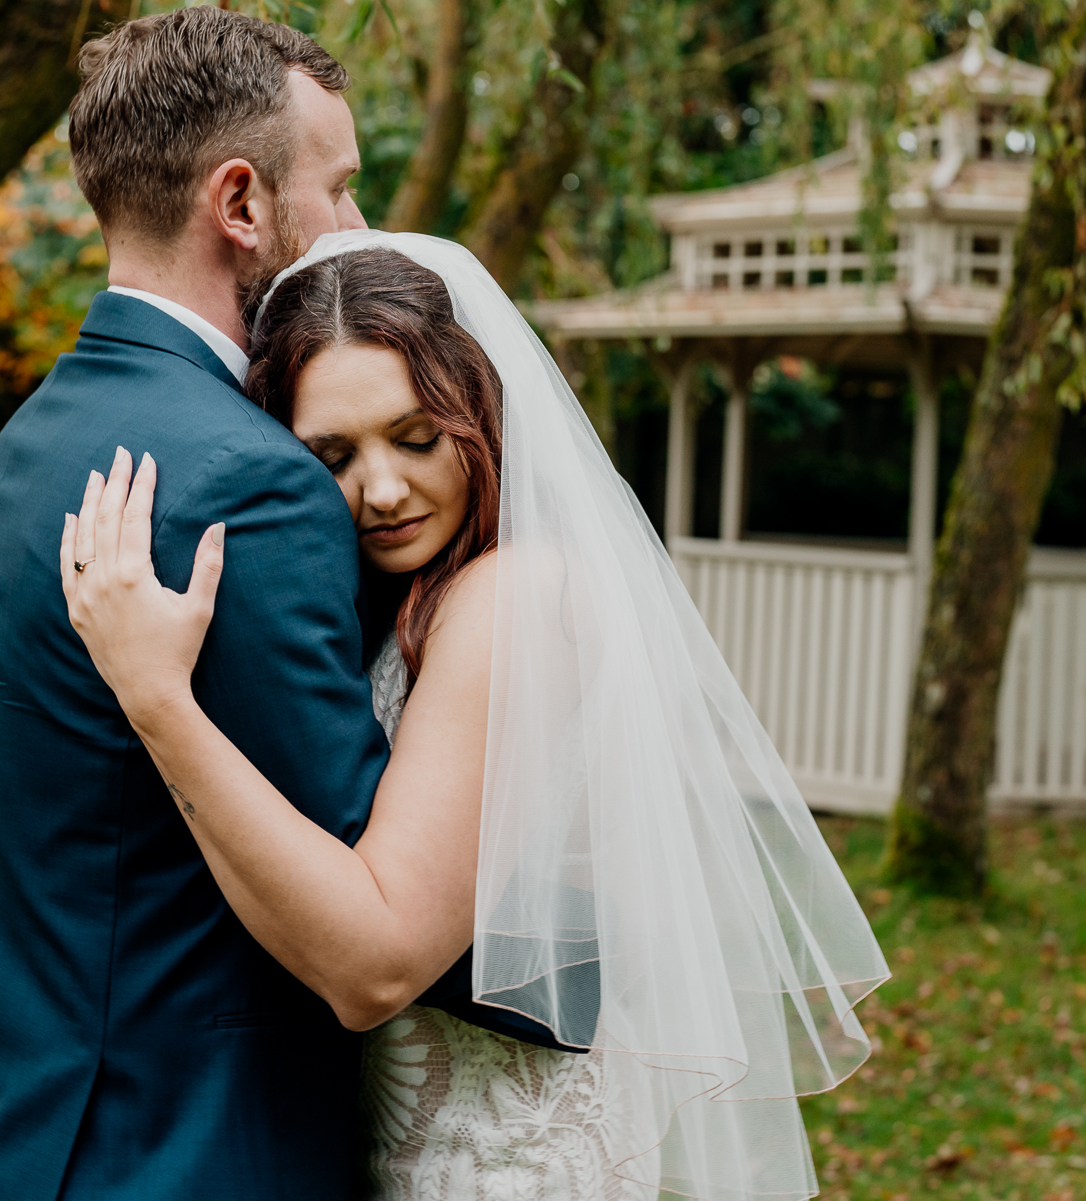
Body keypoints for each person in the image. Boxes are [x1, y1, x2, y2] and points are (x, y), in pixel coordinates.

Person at [58, 232, 891, 1200]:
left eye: (417, 437)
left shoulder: (515, 598)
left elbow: (376, 964)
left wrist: (155, 701)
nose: (380, 488)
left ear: (484, 413)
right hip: (399, 1127)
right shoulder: (414, 598)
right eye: (331, 454)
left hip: (500, 1155)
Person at [0, 7, 398, 1199]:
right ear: (240, 204)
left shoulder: (21, 456)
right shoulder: (255, 484)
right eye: (339, 188)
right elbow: (368, 898)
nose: (359, 229)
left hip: (15, 1138)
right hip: (194, 1153)